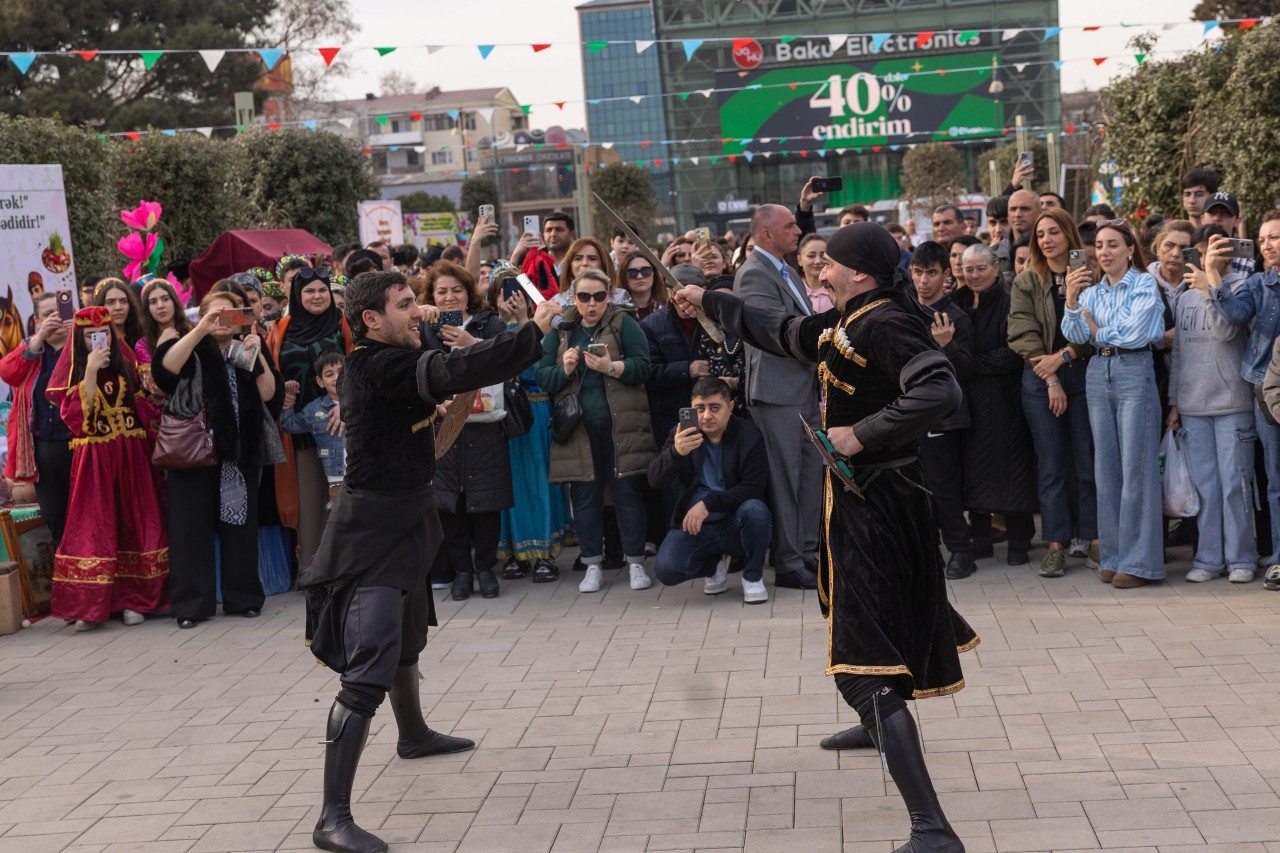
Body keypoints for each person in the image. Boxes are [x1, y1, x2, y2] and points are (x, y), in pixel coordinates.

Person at [676, 222, 975, 853]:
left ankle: (932, 829)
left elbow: (939, 389)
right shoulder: (847, 318)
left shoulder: (885, 322)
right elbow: (781, 333)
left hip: (882, 505)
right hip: (857, 502)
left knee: (860, 668)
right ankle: (877, 729)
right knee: (851, 624)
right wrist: (709, 301)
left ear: (859, 272)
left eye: (829, 263)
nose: (819, 270)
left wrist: (860, 433)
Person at [300, 271, 561, 853]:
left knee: (409, 633)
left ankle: (413, 735)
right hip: (371, 532)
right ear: (371, 319)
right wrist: (530, 332)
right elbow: (447, 372)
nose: (417, 312)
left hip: (411, 517)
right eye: (403, 305)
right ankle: (331, 818)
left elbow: (441, 384)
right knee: (369, 662)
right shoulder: (371, 364)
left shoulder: (398, 358)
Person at [153, 290, 276, 628]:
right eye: (215, 312)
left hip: (239, 449)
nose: (223, 317)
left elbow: (268, 393)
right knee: (190, 529)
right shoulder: (190, 343)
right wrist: (200, 330)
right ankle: (192, 605)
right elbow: (166, 370)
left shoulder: (246, 345)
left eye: (231, 311)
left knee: (241, 526)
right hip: (194, 450)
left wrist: (258, 351)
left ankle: (244, 598)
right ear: (202, 314)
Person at [46, 306, 168, 631]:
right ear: (80, 339)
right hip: (95, 461)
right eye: (90, 336)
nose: (98, 341)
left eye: (103, 334)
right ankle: (91, 606)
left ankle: (134, 599)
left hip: (131, 455)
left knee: (134, 522)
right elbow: (76, 419)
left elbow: (143, 408)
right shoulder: (76, 372)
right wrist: (89, 371)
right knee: (94, 526)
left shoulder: (127, 366)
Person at [536, 268, 655, 594]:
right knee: (585, 497)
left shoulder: (623, 323)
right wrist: (566, 369)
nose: (592, 304)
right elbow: (543, 376)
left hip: (621, 424)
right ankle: (592, 563)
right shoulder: (561, 330)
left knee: (626, 493)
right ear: (574, 298)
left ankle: (634, 562)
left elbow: (644, 366)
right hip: (578, 427)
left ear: (609, 296)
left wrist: (611, 367)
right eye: (585, 297)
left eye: (599, 296)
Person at [1062, 219, 1166, 588]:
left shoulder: (1144, 283)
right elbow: (1074, 333)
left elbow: (1139, 332)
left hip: (1134, 367)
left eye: (1113, 245)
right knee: (1106, 471)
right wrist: (1073, 303)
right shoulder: (1090, 291)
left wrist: (1096, 329)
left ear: (1129, 249)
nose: (1104, 252)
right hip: (1097, 369)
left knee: (1136, 468)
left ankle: (1140, 563)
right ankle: (1114, 556)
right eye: (1100, 245)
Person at [1008, 209, 1098, 578]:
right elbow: (1021, 331)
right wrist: (1051, 377)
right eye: (1040, 234)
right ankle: (1056, 545)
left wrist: (1065, 356)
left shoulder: (1091, 277)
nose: (1046, 240)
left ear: (1069, 236)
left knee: (1087, 463)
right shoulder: (1028, 280)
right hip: (1039, 379)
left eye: (1054, 232)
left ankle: (1094, 540)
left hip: (1082, 374)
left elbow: (1098, 330)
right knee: (1051, 465)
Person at [734, 204, 820, 590]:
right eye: (789, 226)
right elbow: (776, 332)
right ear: (766, 234)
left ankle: (808, 552)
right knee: (786, 479)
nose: (798, 231)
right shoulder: (754, 274)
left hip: (802, 390)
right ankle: (788, 562)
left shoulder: (786, 270)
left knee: (810, 475)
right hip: (776, 393)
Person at [418, 262, 514, 600]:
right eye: (441, 291)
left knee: (486, 502)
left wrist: (473, 342)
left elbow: (508, 358)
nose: (449, 298)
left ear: (468, 292)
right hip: (443, 426)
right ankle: (461, 571)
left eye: (456, 290)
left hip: (485, 425)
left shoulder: (490, 322)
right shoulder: (425, 328)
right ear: (431, 296)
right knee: (450, 503)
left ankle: (486, 568)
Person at [1168, 233, 1256, 583]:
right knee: (1205, 487)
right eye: (1204, 249)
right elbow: (1178, 354)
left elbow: (1224, 333)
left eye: (1217, 249)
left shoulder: (1242, 288)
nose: (1207, 256)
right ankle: (1208, 559)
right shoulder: (1184, 296)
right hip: (1192, 406)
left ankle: (1242, 559)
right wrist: (1174, 402)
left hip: (1232, 402)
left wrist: (1210, 287)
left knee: (1235, 483)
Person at [648, 377, 772, 603]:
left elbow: (753, 488)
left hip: (734, 522)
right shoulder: (681, 436)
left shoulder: (749, 436)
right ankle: (713, 565)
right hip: (695, 527)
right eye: (700, 409)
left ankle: (752, 576)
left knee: (756, 511)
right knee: (666, 570)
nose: (706, 415)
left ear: (730, 407)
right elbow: (655, 480)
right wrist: (675, 453)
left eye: (715, 408)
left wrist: (708, 503)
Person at [1204, 209, 1280, 570]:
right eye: (1263, 239)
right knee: (1275, 479)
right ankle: (1279, 557)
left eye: (1275, 237)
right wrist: (1213, 275)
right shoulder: (1257, 283)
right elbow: (1233, 315)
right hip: (1266, 390)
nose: (1268, 245)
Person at [954, 243, 1039, 566]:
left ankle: (1018, 540)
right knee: (971, 468)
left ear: (995, 268)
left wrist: (968, 363)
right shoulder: (956, 303)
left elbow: (1012, 353)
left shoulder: (1008, 301)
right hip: (968, 401)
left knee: (1011, 467)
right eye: (968, 269)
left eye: (980, 268)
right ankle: (981, 538)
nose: (974, 275)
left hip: (1005, 398)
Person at [268, 266, 353, 572]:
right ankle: (313, 569)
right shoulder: (281, 329)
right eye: (309, 291)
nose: (317, 296)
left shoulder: (343, 324)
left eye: (322, 290)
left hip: (339, 424)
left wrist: (347, 403)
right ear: (296, 294)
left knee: (343, 494)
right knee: (309, 499)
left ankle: (345, 565)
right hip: (298, 429)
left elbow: (358, 366)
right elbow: (270, 372)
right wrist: (283, 396)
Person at [489, 262, 568, 583]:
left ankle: (545, 552)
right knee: (509, 485)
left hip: (535, 413)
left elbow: (542, 371)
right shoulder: (488, 329)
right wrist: (506, 324)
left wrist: (525, 322)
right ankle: (514, 551)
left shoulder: (544, 327)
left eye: (517, 294)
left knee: (539, 481)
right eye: (503, 294)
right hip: (502, 416)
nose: (510, 299)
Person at [905, 242, 978, 581]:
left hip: (943, 419)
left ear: (947, 275)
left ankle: (961, 552)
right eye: (918, 272)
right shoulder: (902, 312)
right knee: (914, 491)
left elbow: (967, 371)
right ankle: (925, 552)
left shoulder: (956, 317)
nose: (924, 280)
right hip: (905, 417)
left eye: (931, 273)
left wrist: (948, 345)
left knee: (945, 489)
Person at [0, 293, 72, 544]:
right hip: (41, 450)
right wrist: (39, 338)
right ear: (38, 320)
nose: (55, 318)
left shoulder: (82, 344)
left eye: (59, 312)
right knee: (54, 516)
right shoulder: (32, 349)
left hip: (80, 446)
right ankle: (67, 574)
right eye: (47, 315)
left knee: (86, 514)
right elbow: (7, 372)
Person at [281, 351, 347, 504]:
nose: (336, 377)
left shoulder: (362, 399)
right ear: (320, 381)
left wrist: (346, 405)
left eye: (340, 371)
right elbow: (288, 425)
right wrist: (288, 400)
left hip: (366, 476)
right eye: (329, 374)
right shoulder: (314, 410)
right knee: (342, 522)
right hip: (336, 480)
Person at [555, 237, 618, 308]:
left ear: (603, 265)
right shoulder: (557, 302)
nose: (584, 263)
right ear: (570, 266)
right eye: (578, 258)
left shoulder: (620, 297)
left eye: (592, 258)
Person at [93, 277, 145, 349]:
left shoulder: (143, 338)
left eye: (123, 301)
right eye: (111, 302)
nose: (118, 307)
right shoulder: (93, 340)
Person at [617, 251, 669, 319]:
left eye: (646, 271)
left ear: (654, 274)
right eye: (632, 272)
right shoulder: (615, 309)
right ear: (624, 277)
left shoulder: (668, 304)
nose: (640, 276)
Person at [798, 233, 833, 313]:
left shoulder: (838, 289)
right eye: (811, 256)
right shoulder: (793, 289)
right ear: (799, 259)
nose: (818, 261)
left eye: (822, 256)